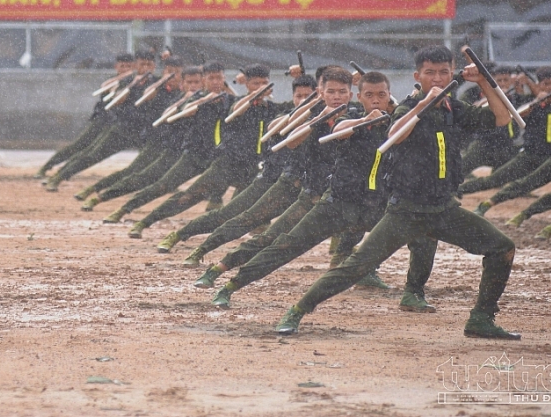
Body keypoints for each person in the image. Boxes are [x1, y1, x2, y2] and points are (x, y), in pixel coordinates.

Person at [272, 46, 519, 340]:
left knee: (502, 248)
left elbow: (502, 119)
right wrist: (423, 104)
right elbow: (395, 134)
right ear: (418, 76)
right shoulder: (405, 107)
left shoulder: (455, 110)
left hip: (443, 209)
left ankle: (481, 318)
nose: (438, 79)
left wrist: (482, 82)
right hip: (406, 210)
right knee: (356, 265)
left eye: (443, 72)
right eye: (430, 73)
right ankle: (297, 311)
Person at [202, 72, 436, 309]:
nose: (375, 100)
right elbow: (327, 133)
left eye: (381, 95)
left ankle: (412, 293)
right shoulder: (348, 117)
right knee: (285, 245)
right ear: (359, 97)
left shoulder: (396, 122)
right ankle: (229, 284)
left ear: (388, 96)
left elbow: (410, 120)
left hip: (377, 207)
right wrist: (360, 120)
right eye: (369, 95)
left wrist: (415, 104)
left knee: (424, 234)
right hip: (336, 203)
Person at [156, 76, 313, 254]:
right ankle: (182, 236)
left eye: (307, 96)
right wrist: (307, 107)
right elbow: (277, 125)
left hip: (306, 183)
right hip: (273, 179)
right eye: (298, 96)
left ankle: (338, 255)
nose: (302, 100)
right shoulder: (282, 113)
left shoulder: (327, 117)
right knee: (231, 216)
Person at [126, 65, 278, 237]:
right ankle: (145, 222)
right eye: (256, 84)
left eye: (264, 83)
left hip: (252, 167)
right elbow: (235, 109)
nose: (261, 87)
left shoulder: (271, 108)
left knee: (254, 204)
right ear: (247, 85)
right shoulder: (229, 101)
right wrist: (250, 95)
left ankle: (257, 236)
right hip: (227, 164)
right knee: (189, 197)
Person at [97, 61, 234, 234]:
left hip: (218, 158)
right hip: (194, 155)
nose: (215, 82)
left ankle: (248, 220)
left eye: (219, 78)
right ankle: (129, 211)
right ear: (204, 80)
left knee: (241, 184)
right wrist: (206, 99)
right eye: (211, 78)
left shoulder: (229, 100)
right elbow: (186, 111)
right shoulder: (194, 98)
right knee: (163, 186)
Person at [43, 51, 158, 192]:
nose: (146, 68)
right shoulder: (127, 80)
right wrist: (132, 85)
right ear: (136, 66)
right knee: (92, 156)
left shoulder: (157, 82)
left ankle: (158, 183)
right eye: (142, 64)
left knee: (156, 156)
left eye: (149, 65)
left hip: (144, 130)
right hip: (124, 129)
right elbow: (115, 98)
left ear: (154, 66)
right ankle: (59, 177)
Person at [461, 66, 551, 202]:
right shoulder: (529, 102)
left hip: (515, 147)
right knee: (485, 178)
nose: (550, 88)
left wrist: (527, 85)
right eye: (546, 84)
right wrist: (535, 101)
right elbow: (517, 115)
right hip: (492, 146)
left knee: (522, 182)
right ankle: (451, 190)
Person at [34, 53, 135, 179]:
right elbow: (106, 87)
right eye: (122, 66)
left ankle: (64, 171)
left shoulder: (135, 82)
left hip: (117, 123)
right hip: (102, 120)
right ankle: (47, 166)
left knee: (90, 152)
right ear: (116, 67)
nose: (125, 69)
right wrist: (126, 76)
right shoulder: (114, 80)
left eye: (128, 67)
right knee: (79, 145)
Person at [459, 66, 519, 178]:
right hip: (484, 141)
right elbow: (474, 108)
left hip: (506, 144)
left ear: (511, 81)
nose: (502, 84)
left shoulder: (515, 97)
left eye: (505, 80)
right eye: (499, 80)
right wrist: (493, 97)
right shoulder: (483, 95)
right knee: (461, 168)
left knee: (514, 172)